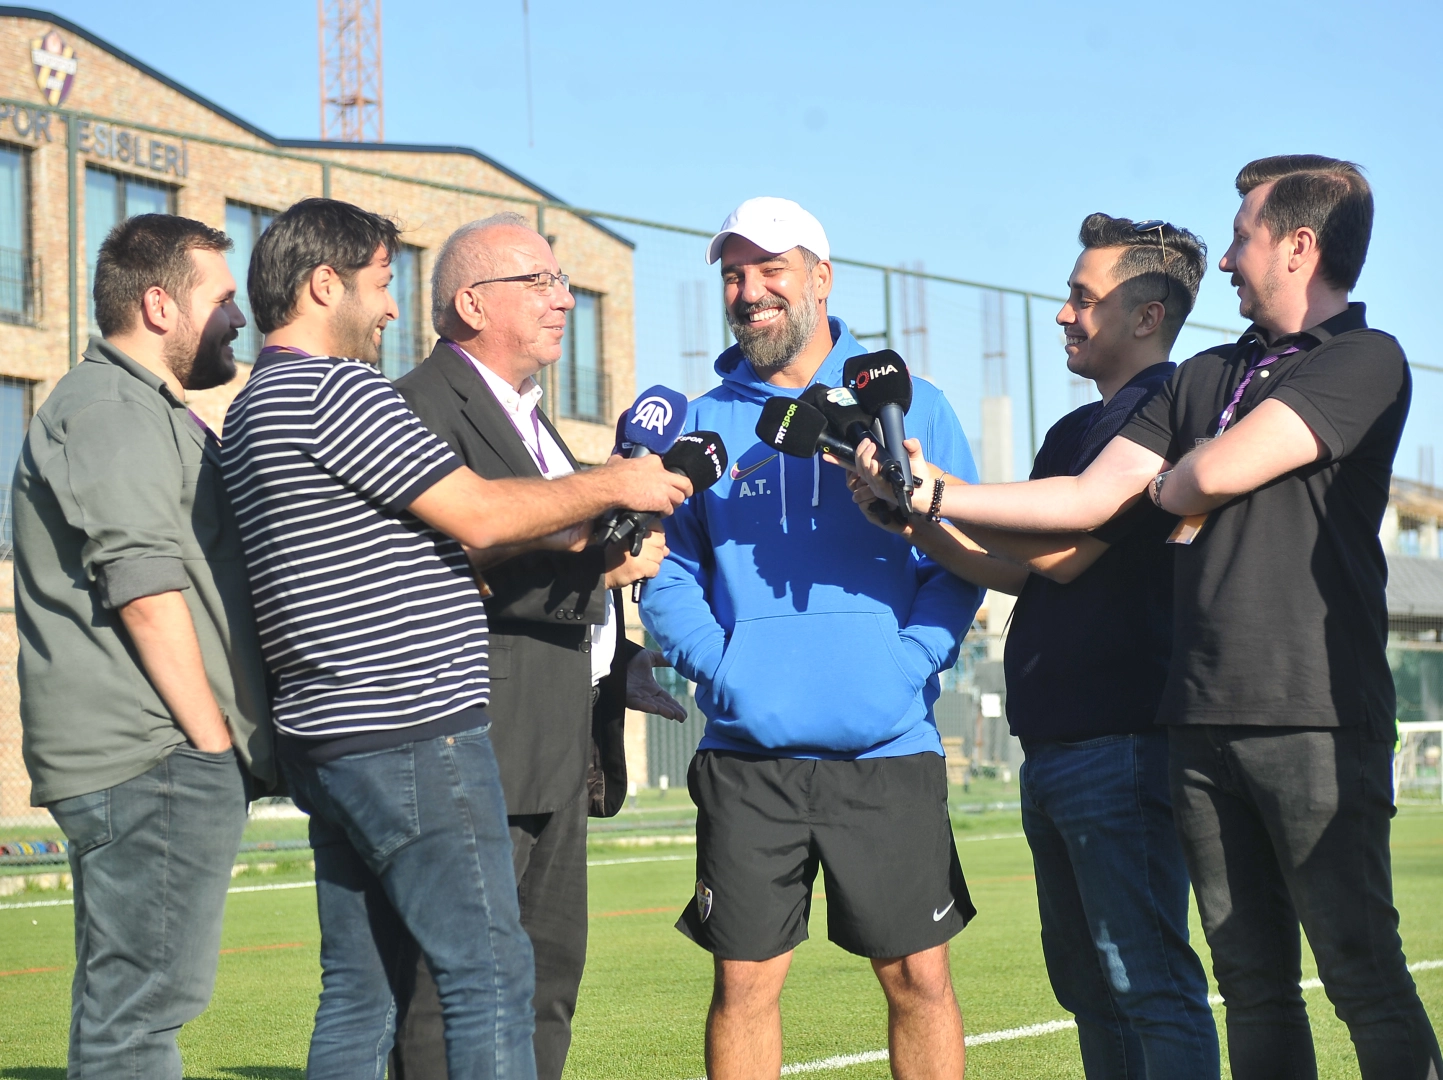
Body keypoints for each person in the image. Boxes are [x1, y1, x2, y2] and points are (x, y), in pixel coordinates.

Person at [854, 156, 1443, 1080]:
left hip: (1314, 713)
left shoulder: (1363, 358)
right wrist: (928, 493)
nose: (1228, 259)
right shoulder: (1205, 373)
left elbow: (1213, 472)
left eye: (1242, 237)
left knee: (1359, 971)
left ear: (1298, 246)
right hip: (1196, 716)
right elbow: (1088, 500)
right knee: (1250, 983)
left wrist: (1175, 478)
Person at [218, 197, 691, 1079]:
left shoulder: (253, 406)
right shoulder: (336, 390)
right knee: (488, 974)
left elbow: (428, 538)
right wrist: (613, 483)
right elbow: (476, 513)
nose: (391, 308)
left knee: (360, 992)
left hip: (333, 729)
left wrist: (585, 546)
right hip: (407, 725)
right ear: (324, 284)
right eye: (379, 283)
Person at [849, 213, 1218, 1078]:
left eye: (1082, 298)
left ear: (1146, 316)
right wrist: (910, 516)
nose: (1062, 313)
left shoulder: (1168, 406)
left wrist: (933, 489)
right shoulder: (1071, 433)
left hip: (1121, 744)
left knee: (1147, 981)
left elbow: (1069, 541)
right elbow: (1023, 568)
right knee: (1089, 986)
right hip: (1055, 747)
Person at [641, 197, 982, 1080]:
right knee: (743, 987)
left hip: (887, 746)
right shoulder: (700, 423)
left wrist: (909, 665)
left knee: (918, 980)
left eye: (770, 270)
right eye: (732, 275)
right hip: (747, 755)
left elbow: (962, 558)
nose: (748, 291)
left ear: (820, 279)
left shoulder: (910, 405)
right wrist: (723, 672)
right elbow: (667, 574)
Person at [387, 212, 688, 1080]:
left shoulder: (531, 417)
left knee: (547, 979)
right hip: (481, 737)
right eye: (540, 282)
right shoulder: (418, 406)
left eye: (562, 282)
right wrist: (592, 556)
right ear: (472, 303)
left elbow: (545, 555)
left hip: (558, 742)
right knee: (452, 990)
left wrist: (607, 578)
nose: (563, 300)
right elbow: (445, 565)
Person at [12, 214, 273, 1077]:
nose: (239, 318)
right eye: (223, 298)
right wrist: (210, 744)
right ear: (160, 306)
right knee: (138, 1017)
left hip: (159, 756)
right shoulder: (108, 408)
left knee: (129, 1008)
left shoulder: (148, 408)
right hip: (152, 756)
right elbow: (145, 588)